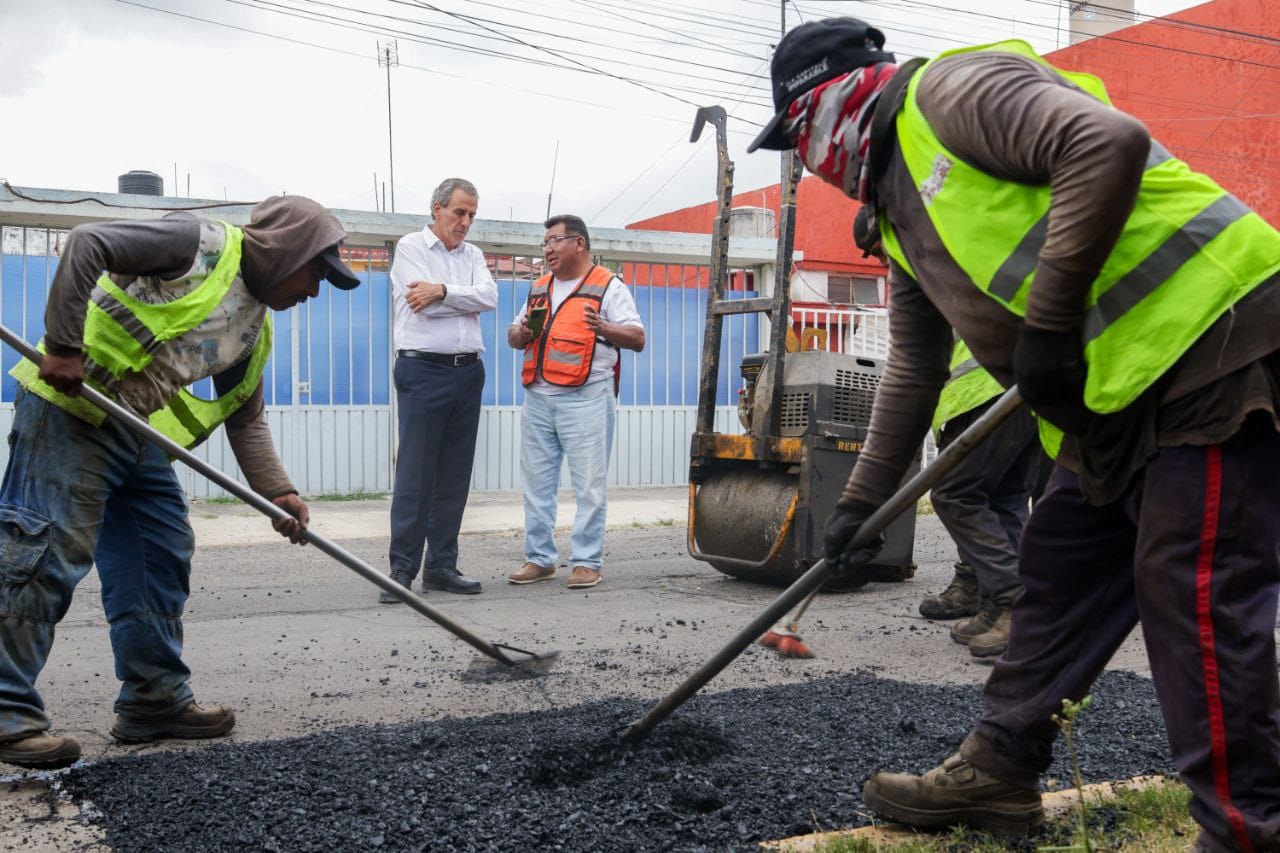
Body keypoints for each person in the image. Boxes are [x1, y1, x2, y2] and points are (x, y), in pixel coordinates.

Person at [752, 16, 1280, 850]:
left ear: (826, 105)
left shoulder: (949, 94)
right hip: (1115, 400)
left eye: (800, 138)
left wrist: (1048, 322)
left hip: (1215, 344)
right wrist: (861, 504)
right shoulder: (895, 216)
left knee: (1194, 595)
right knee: (1057, 571)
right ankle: (999, 768)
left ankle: (1249, 827)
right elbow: (914, 371)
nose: (808, 161)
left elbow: (1107, 143)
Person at [0, 196, 361, 770]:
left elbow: (246, 417)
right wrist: (63, 345)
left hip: (133, 432)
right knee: (42, 552)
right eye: (317, 273)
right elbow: (88, 241)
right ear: (289, 249)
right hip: (73, 408)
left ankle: (154, 698)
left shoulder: (253, 332)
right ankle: (7, 711)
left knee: (159, 553)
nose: (315, 291)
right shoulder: (199, 244)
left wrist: (279, 492)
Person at [856, 207, 1038, 657]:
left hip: (981, 391)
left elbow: (913, 368)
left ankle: (1015, 606)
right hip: (1023, 388)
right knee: (1006, 498)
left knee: (955, 494)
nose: (882, 263)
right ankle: (1004, 607)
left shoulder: (926, 263)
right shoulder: (956, 245)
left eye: (880, 251)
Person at [506, 215, 645, 590]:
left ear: (579, 243)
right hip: (537, 396)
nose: (548, 249)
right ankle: (539, 558)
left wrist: (605, 328)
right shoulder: (539, 287)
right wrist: (519, 333)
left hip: (587, 397)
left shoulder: (607, 286)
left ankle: (586, 562)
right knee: (536, 483)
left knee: (588, 486)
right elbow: (513, 335)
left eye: (554, 241)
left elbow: (636, 337)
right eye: (545, 244)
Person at [381, 178, 497, 603]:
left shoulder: (475, 255)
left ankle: (442, 566)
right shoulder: (411, 248)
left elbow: (489, 296)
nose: (465, 222)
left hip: (468, 372)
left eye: (471, 215)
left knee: (454, 474)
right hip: (423, 371)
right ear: (437, 209)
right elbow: (419, 304)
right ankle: (401, 570)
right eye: (459, 212)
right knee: (416, 472)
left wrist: (445, 291)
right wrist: (457, 298)